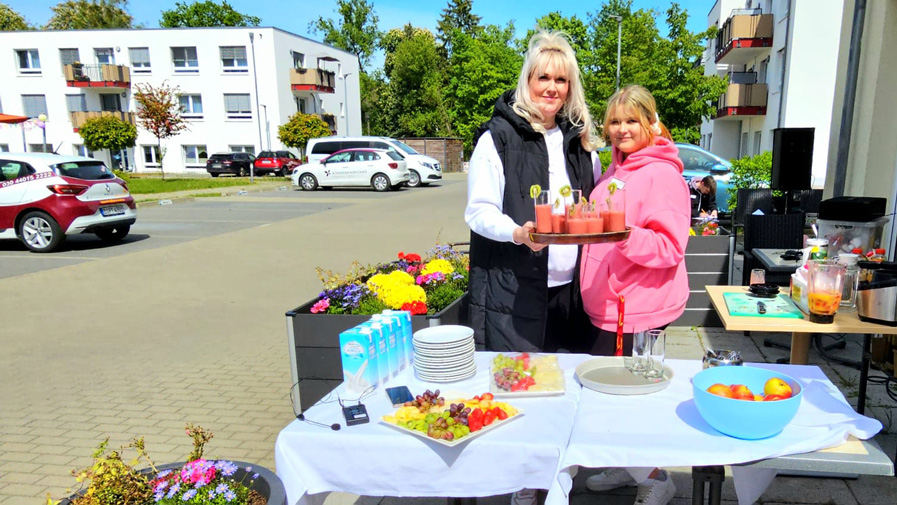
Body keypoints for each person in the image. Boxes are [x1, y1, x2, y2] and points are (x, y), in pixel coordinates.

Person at [579, 85, 690, 505]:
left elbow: (669, 248)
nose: (622, 129)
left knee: (625, 399)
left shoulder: (662, 175)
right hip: (609, 303)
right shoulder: (614, 171)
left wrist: (623, 236)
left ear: (650, 123)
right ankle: (628, 463)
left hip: (636, 306)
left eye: (631, 120)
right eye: (614, 121)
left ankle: (656, 476)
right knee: (613, 394)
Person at [464, 30, 599, 355]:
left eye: (561, 80)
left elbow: (593, 207)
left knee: (567, 390)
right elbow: (479, 212)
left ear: (570, 88)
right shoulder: (498, 139)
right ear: (528, 80)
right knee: (520, 388)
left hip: (571, 295)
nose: (552, 88)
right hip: (514, 292)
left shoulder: (581, 145)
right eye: (544, 77)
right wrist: (516, 232)